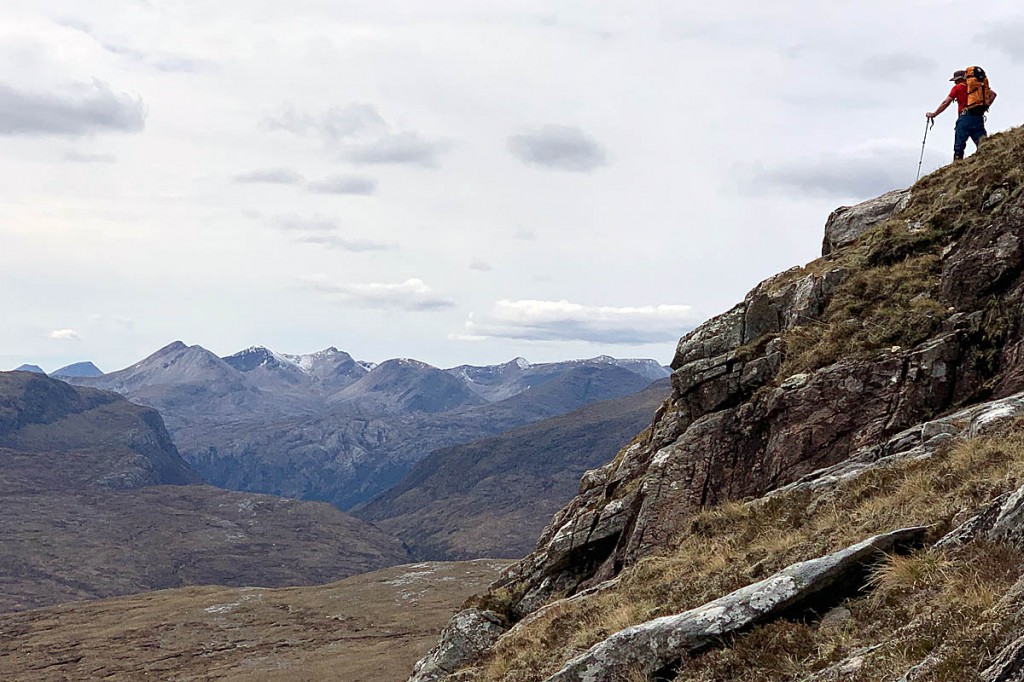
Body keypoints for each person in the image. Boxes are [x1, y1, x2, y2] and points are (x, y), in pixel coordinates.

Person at [926, 69, 996, 160]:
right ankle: (987, 160)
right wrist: (984, 107)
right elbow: (993, 94)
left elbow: (946, 102)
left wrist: (934, 114)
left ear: (958, 79)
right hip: (978, 117)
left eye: (955, 80)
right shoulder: (977, 87)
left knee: (959, 144)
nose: (954, 83)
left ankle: (957, 164)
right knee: (982, 143)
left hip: (965, 118)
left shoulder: (958, 87)